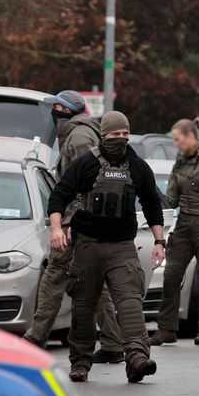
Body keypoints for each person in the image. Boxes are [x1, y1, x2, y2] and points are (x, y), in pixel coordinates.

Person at [47, 111, 166, 383]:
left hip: (123, 246)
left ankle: (137, 358)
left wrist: (159, 241)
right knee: (84, 305)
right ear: (103, 135)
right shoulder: (86, 163)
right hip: (87, 246)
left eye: (126, 134)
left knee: (130, 301)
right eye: (116, 135)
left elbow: (152, 205)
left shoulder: (138, 166)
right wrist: (56, 228)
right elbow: (59, 196)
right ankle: (80, 362)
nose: (121, 139)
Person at [24, 90, 124, 364]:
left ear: (64, 109)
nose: (52, 112)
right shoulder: (78, 134)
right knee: (94, 281)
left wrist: (72, 222)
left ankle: (34, 340)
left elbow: (87, 184)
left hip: (76, 220)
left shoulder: (78, 138)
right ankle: (113, 342)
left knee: (54, 276)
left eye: (55, 106)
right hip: (83, 219)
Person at [151, 117, 199, 348]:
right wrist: (151, 190)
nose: (176, 145)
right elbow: (171, 198)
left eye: (178, 139)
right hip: (184, 224)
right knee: (171, 275)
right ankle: (166, 329)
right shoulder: (180, 162)